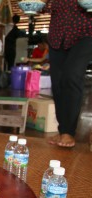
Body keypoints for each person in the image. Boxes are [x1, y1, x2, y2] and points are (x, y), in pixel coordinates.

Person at [44, 0, 92, 148]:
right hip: (57, 35)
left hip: (85, 32)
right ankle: (63, 129)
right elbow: (43, 7)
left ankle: (69, 132)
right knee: (58, 82)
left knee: (72, 76)